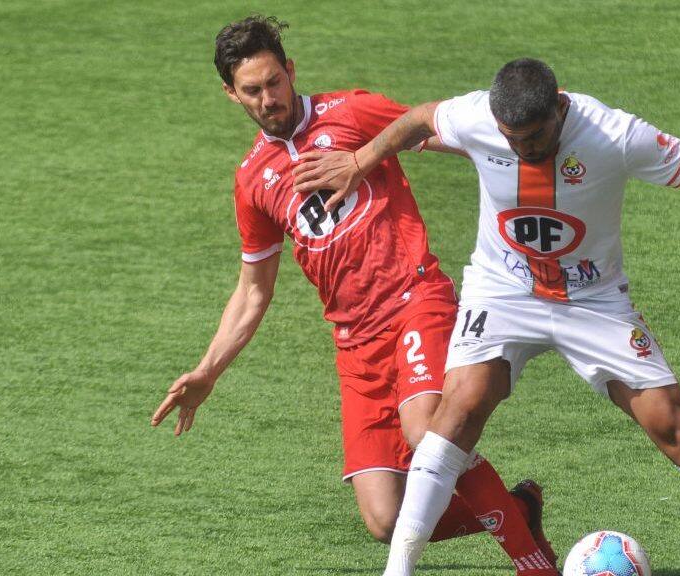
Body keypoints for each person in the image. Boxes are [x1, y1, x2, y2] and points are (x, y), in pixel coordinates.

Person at [292, 58, 680, 574]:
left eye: (534, 139)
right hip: (504, 292)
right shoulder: (478, 117)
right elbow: (423, 118)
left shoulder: (615, 134)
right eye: (511, 139)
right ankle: (398, 570)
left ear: (559, 108)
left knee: (676, 429)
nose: (523, 151)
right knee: (456, 414)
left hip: (593, 300)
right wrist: (361, 160)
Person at [151, 18, 561, 576]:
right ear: (231, 94)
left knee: (426, 433)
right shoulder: (253, 181)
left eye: (274, 81)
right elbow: (253, 291)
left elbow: (442, 133)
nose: (269, 99)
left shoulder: (350, 112)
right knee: (385, 519)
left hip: (416, 299)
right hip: (356, 347)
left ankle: (535, 565)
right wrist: (208, 371)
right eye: (252, 90)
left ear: (290, 71)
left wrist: (524, 157)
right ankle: (516, 509)